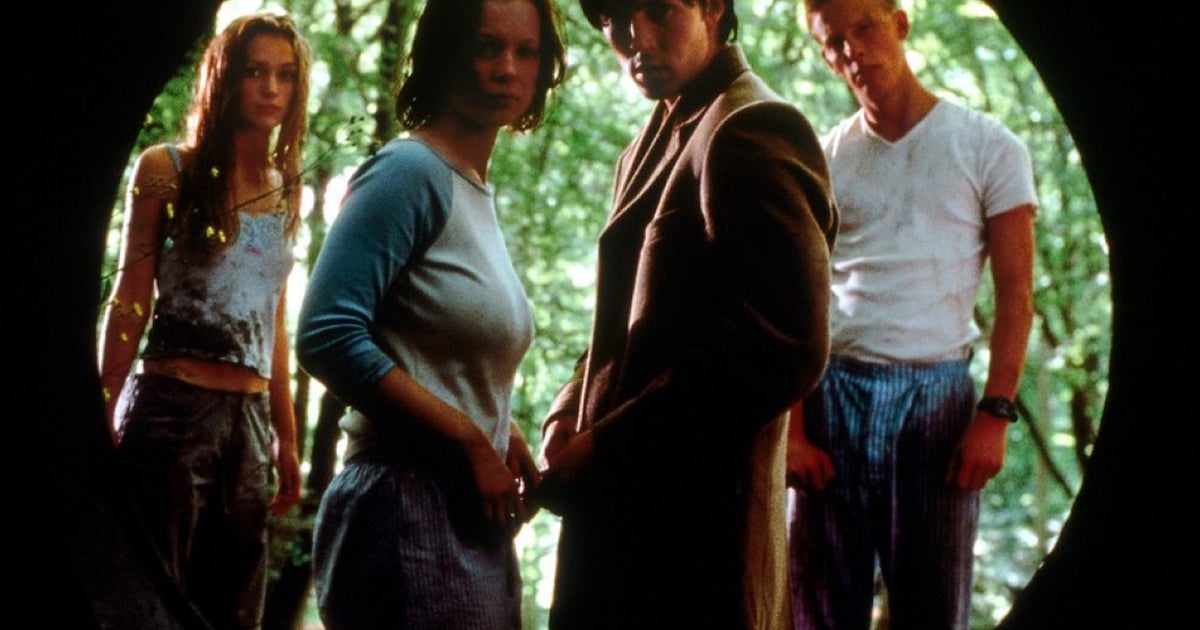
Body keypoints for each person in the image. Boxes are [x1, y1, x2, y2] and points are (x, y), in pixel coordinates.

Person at [534, 0, 837, 627]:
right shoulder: (653, 137)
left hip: (700, 549)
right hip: (625, 535)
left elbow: (783, 347)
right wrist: (567, 412)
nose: (635, 38)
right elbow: (627, 324)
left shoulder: (750, 127)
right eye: (614, 18)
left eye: (657, 10)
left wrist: (605, 445)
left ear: (713, 7)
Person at [294, 0, 566, 627]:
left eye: (526, 52)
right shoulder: (409, 171)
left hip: (460, 514)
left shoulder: (470, 187)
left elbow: (432, 346)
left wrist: (501, 430)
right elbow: (326, 333)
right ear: (445, 52)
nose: (507, 68)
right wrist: (468, 438)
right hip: (402, 506)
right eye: (486, 46)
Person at [784, 1, 1038, 629]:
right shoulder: (823, 159)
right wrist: (793, 430)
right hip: (832, 393)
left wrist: (995, 413)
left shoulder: (989, 146)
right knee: (818, 608)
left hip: (937, 401)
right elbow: (798, 303)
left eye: (864, 28)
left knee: (932, 609)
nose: (852, 50)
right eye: (833, 41)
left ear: (899, 24)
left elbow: (1016, 296)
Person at [96, 12, 310, 629]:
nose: (271, 88)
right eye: (255, 72)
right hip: (172, 409)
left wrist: (286, 435)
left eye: (285, 75)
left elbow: (272, 314)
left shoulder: (285, 187)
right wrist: (103, 400)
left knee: (237, 608)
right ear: (226, 78)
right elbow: (131, 295)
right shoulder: (167, 168)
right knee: (151, 594)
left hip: (249, 421)